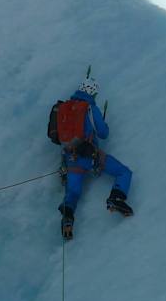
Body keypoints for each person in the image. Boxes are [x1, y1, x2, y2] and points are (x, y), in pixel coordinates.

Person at [53, 77, 133, 239]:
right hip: (90, 157)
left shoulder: (64, 108)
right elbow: (103, 133)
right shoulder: (90, 108)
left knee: (73, 192)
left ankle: (67, 218)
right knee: (124, 172)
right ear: (93, 93)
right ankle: (115, 198)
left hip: (70, 159)